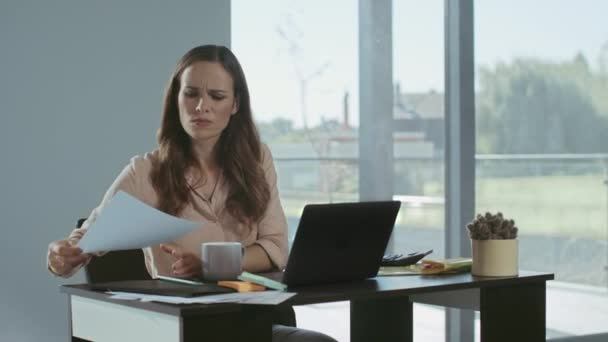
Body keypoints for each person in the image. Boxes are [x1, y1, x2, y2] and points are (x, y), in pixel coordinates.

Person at [47, 44, 337, 342]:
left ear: (235, 104)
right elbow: (87, 238)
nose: (202, 107)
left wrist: (209, 264)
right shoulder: (144, 172)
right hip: (180, 327)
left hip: (253, 317)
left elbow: (275, 249)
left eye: (217, 96)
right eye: (191, 94)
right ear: (176, 99)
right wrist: (62, 256)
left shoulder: (257, 160)